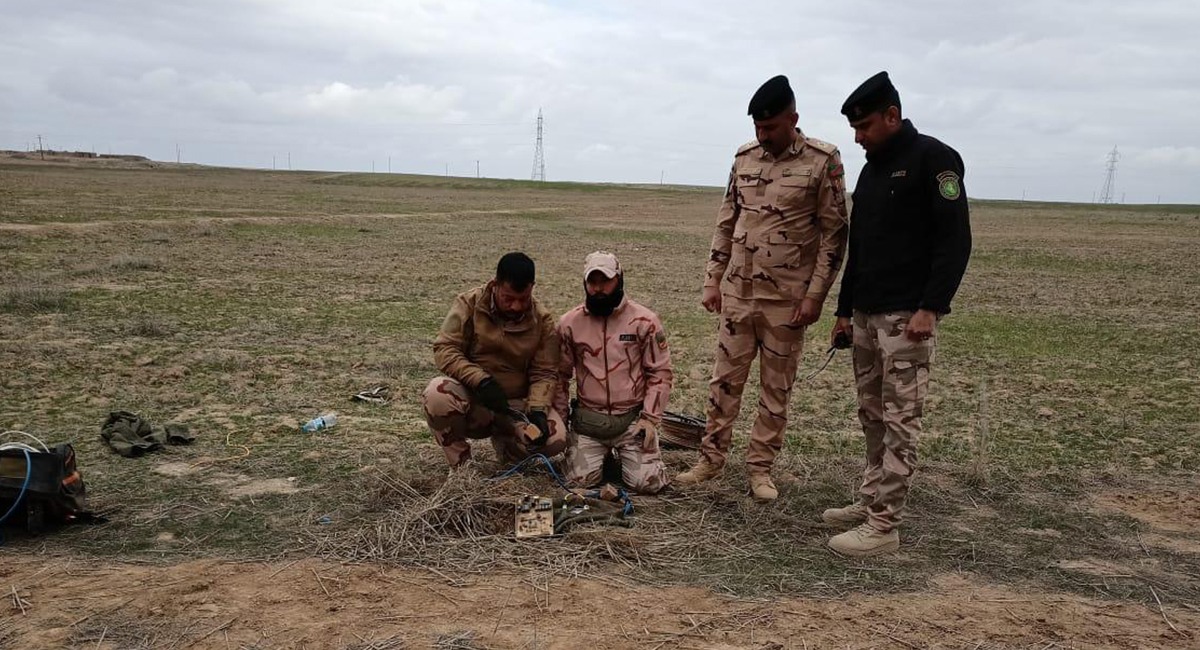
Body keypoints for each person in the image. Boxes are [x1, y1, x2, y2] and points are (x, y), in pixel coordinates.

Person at [677, 75, 849, 501]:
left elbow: (834, 235)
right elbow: (726, 220)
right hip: (738, 295)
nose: (762, 135)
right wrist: (712, 280)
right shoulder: (744, 158)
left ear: (793, 118)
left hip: (786, 303)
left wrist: (815, 296)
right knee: (723, 383)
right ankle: (711, 459)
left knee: (775, 390)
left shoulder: (822, 161)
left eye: (770, 127)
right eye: (757, 127)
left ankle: (760, 470)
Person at [823, 71, 972, 556]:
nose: (858, 136)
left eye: (864, 126)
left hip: (907, 318)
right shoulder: (871, 170)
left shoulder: (934, 159)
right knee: (871, 415)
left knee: (900, 420)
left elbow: (955, 242)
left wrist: (931, 307)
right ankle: (871, 500)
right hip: (866, 315)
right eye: (854, 128)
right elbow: (859, 249)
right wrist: (844, 313)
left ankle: (884, 526)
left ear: (892, 115)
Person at [422, 252, 566, 468]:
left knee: (556, 439)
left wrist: (537, 410)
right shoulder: (468, 304)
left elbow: (544, 372)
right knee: (436, 394)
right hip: (476, 399)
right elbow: (445, 349)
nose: (516, 306)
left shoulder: (542, 320)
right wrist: (480, 380)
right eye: (508, 298)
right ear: (495, 284)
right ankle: (462, 467)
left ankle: (510, 449)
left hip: (516, 405)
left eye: (523, 299)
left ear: (532, 287)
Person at [555, 251, 673, 494]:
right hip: (589, 422)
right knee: (577, 482)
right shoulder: (568, 324)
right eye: (592, 282)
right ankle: (600, 457)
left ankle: (636, 457)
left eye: (605, 281)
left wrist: (650, 419)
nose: (598, 288)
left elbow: (660, 373)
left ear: (619, 280)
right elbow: (560, 377)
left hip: (631, 421)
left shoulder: (645, 322)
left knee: (649, 484)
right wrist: (560, 419)